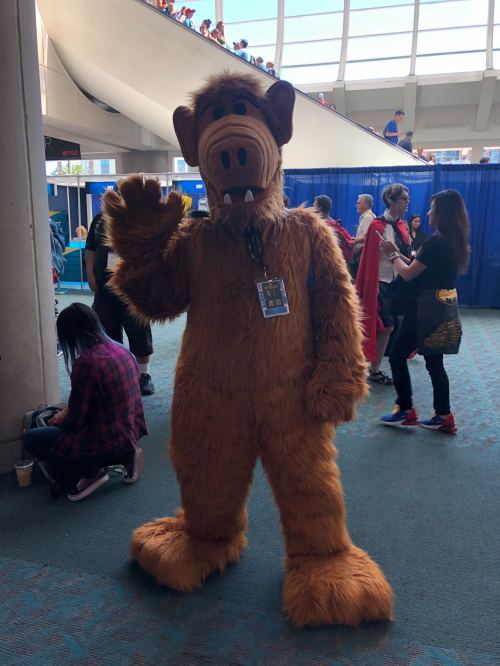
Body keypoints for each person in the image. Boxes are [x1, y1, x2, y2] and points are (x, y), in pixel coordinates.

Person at [23, 303, 147, 500]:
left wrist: (58, 419)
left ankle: (91, 470)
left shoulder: (87, 363)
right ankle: (126, 455)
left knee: (32, 438)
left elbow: (75, 420)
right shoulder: (122, 350)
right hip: (129, 432)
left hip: (104, 442)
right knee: (55, 421)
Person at [378, 190, 470, 433]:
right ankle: (444, 415)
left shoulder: (435, 242)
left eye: (432, 208)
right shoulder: (453, 241)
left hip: (424, 311)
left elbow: (408, 274)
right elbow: (423, 267)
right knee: (434, 362)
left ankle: (405, 409)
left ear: (442, 213)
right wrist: (403, 255)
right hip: (442, 308)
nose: (428, 212)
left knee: (397, 355)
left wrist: (392, 254)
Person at [85, 210, 155, 396]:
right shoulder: (100, 219)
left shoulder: (141, 217)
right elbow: (90, 249)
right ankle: (116, 373)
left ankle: (144, 375)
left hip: (133, 289)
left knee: (140, 332)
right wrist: (90, 274)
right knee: (107, 334)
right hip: (105, 289)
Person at [355, 184, 411, 385]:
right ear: (391, 201)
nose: (407, 203)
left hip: (399, 282)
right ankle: (374, 369)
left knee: (393, 327)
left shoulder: (403, 225)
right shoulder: (376, 226)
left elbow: (406, 255)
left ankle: (375, 367)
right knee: (386, 326)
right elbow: (368, 260)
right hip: (380, 282)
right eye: (404, 199)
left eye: (407, 199)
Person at [313, 195, 354, 265]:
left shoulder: (323, 226)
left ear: (319, 208)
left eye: (314, 205)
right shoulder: (335, 224)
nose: (312, 208)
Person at [352, 194, 375, 276]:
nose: (356, 205)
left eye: (358, 203)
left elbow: (367, 236)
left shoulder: (368, 217)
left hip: (362, 255)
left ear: (366, 204)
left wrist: (354, 240)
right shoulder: (366, 217)